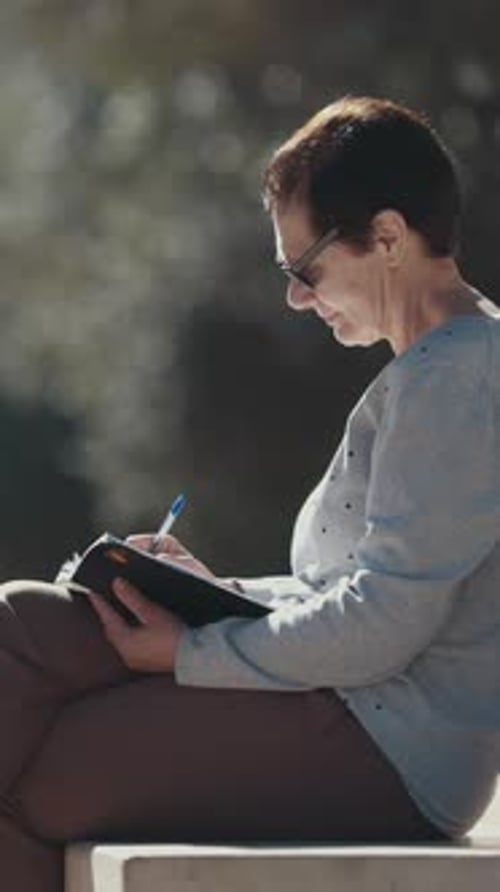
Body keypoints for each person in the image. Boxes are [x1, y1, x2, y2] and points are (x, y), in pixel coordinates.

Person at [2, 95, 500, 891]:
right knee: (22, 623)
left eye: (305, 270)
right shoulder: (427, 375)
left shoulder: (460, 381)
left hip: (390, 752)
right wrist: (215, 592)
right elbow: (341, 592)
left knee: (46, 775)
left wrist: (193, 649)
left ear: (389, 237)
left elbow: (383, 624)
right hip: (346, 705)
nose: (296, 298)